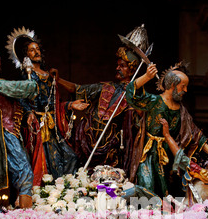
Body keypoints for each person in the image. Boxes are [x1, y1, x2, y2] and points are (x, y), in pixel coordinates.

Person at [125, 62, 208, 198]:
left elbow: (195, 134)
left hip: (168, 157)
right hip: (148, 153)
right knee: (146, 185)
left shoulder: (181, 111)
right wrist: (146, 77)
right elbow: (130, 95)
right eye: (183, 86)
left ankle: (159, 217)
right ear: (173, 86)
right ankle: (141, 217)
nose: (185, 90)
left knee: (164, 191)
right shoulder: (154, 101)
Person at [53, 45, 144, 179]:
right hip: (87, 139)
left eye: (122, 66)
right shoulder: (106, 87)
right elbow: (78, 89)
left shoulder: (136, 96)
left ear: (132, 70)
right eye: (118, 65)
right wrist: (58, 80)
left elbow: (137, 124)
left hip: (112, 147)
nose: (117, 68)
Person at [19, 40, 89, 185]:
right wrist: (28, 113)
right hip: (40, 127)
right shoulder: (28, 76)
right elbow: (22, 101)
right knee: (52, 161)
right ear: (26, 55)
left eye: (37, 49)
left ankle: (68, 190)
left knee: (71, 157)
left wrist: (70, 105)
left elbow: (56, 103)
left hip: (53, 126)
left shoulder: (49, 76)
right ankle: (53, 193)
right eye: (32, 50)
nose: (36, 52)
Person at [0, 49, 38, 208]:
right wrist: (31, 76)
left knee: (21, 176)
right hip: (5, 133)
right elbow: (29, 89)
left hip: (8, 132)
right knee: (25, 176)